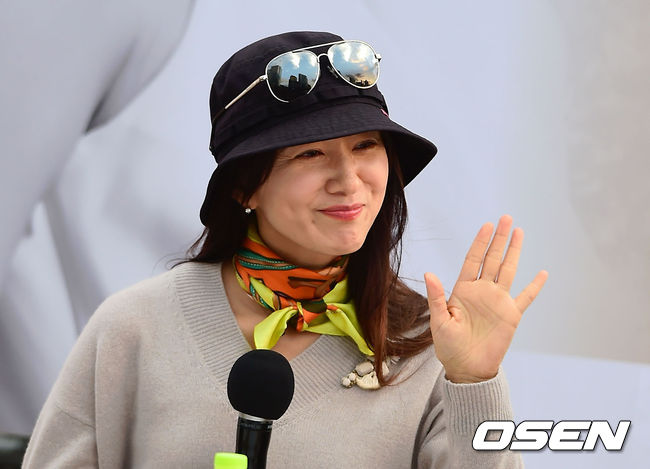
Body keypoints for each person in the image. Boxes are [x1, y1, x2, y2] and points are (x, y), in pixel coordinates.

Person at [22, 31, 547, 468]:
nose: (349, 180)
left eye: (366, 146)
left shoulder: (428, 344)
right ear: (243, 188)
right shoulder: (134, 328)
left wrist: (473, 381)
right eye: (311, 154)